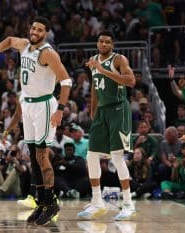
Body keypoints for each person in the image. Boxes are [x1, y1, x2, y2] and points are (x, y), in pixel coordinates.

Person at [0, 16, 71, 225]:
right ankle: (41, 202)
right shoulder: (24, 45)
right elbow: (8, 40)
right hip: (29, 104)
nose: (34, 32)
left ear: (46, 33)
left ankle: (51, 202)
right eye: (33, 28)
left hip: (44, 105)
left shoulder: (48, 53)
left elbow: (67, 81)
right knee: (33, 156)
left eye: (39, 30)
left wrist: (60, 109)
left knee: (42, 156)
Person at [77, 30, 136, 221]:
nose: (103, 44)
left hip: (119, 108)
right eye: (100, 41)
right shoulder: (93, 60)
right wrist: (93, 110)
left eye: (107, 42)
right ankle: (97, 202)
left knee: (117, 157)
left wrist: (102, 70)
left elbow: (131, 81)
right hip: (102, 111)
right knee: (91, 155)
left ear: (112, 45)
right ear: (97, 43)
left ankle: (128, 204)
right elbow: (95, 86)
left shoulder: (119, 59)